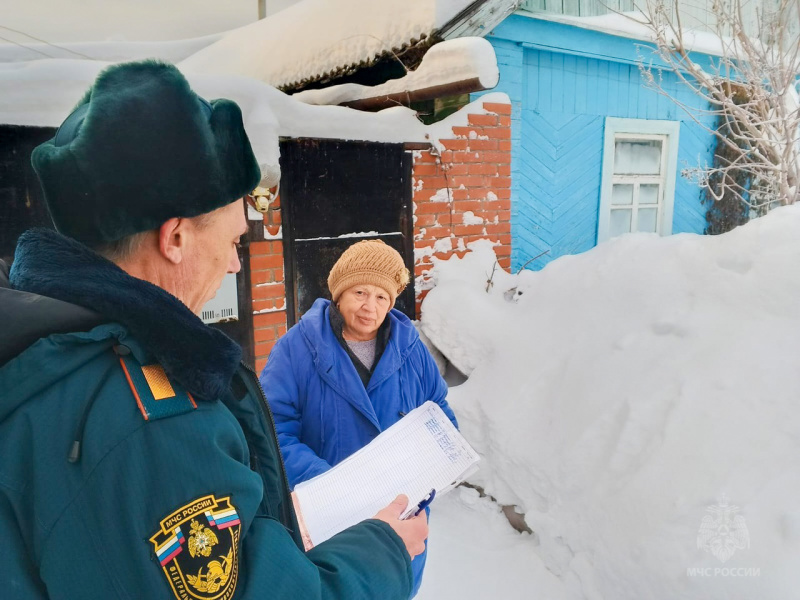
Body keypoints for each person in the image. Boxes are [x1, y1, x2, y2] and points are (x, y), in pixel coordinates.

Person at [0, 60, 427, 600]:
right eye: (234, 242)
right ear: (175, 238)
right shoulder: (146, 425)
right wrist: (381, 552)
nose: (234, 265)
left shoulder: (48, 341)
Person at [260, 239, 458, 597]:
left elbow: (438, 410)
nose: (370, 307)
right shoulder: (296, 348)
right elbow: (272, 429)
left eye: (382, 297)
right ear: (339, 294)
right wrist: (331, 482)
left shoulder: (409, 347)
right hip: (329, 517)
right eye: (360, 292)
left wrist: (434, 466)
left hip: (398, 512)